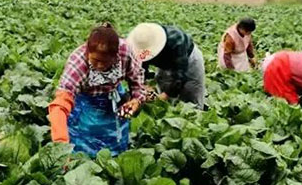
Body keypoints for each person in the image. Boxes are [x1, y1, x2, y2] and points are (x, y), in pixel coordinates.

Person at [47, 23, 145, 157]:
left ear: (115, 56)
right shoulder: (77, 64)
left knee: (115, 145)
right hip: (86, 105)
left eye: (105, 62)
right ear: (88, 51)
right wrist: (60, 146)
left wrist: (136, 100)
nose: (100, 66)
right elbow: (60, 106)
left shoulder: (124, 51)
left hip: (113, 99)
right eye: (95, 60)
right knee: (83, 149)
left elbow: (136, 78)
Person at [127, 23, 206, 109]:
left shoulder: (176, 41)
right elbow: (140, 66)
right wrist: (144, 85)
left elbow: (179, 75)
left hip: (189, 59)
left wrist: (164, 96)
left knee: (191, 93)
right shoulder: (141, 43)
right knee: (164, 87)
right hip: (165, 63)